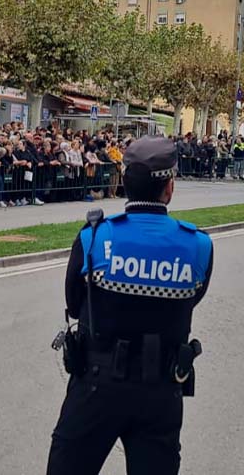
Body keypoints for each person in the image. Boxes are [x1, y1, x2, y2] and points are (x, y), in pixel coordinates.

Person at [46, 136, 214, 475]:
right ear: (169, 187)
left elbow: (75, 305)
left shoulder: (94, 236)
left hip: (96, 383)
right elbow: (191, 300)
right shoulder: (198, 244)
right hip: (161, 389)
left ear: (124, 182)